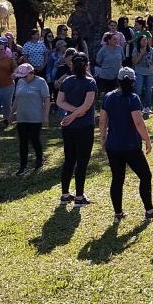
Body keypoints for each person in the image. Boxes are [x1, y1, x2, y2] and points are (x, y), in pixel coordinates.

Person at [99, 66, 153, 222]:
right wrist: (147, 140)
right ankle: (149, 210)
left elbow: (102, 121)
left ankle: (118, 214)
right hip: (130, 146)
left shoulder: (109, 97)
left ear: (118, 80)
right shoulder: (133, 98)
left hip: (113, 146)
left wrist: (103, 139)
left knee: (117, 179)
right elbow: (138, 122)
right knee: (145, 176)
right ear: (133, 81)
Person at [57, 56, 98, 205]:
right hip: (84, 127)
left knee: (69, 160)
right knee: (82, 161)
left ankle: (65, 194)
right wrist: (77, 113)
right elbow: (86, 106)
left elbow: (60, 101)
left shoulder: (67, 81)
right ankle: (79, 197)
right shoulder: (90, 82)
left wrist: (71, 115)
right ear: (87, 65)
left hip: (68, 127)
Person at [11, 63, 49, 175]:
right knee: (22, 142)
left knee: (34, 139)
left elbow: (46, 99)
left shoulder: (41, 82)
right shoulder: (21, 82)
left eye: (25, 76)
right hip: (22, 117)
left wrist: (45, 116)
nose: (23, 78)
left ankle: (39, 159)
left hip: (35, 117)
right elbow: (17, 98)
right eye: (21, 77)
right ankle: (23, 165)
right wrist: (12, 113)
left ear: (32, 73)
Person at [132, 35, 153, 116]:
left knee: (148, 90)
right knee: (138, 90)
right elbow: (134, 62)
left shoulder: (151, 50)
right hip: (139, 72)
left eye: (146, 40)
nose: (145, 42)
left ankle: (147, 107)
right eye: (143, 40)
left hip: (149, 72)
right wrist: (141, 54)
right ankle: (137, 107)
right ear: (139, 42)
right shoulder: (136, 49)